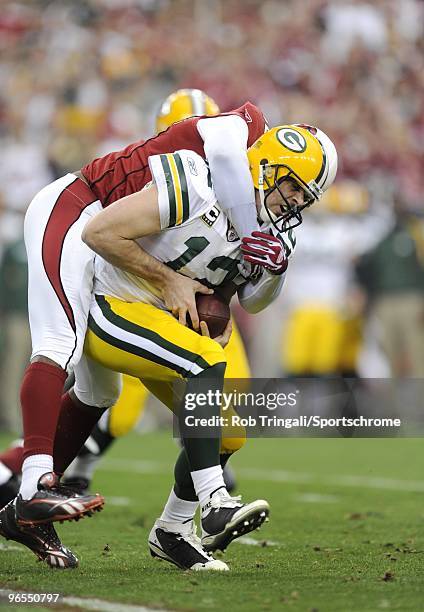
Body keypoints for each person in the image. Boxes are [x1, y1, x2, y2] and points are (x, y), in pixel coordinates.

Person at [3, 124, 337, 571]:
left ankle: (172, 530)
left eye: (305, 197)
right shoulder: (197, 183)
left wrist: (274, 270)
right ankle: (215, 500)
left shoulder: (276, 229)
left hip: (161, 324)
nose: (295, 202)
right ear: (263, 166)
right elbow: (100, 232)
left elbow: (252, 303)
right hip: (113, 304)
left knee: (230, 431)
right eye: (292, 186)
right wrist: (169, 280)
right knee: (201, 362)